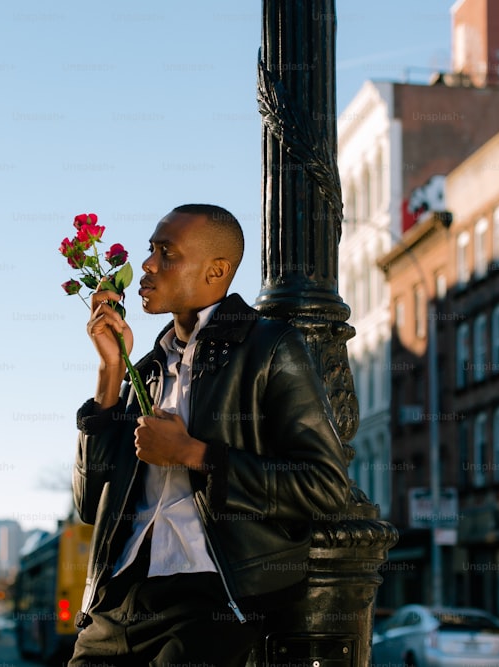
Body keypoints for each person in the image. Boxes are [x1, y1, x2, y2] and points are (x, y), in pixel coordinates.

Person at [69, 204, 351, 666]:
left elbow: (324, 486)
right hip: (117, 599)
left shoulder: (268, 348)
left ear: (216, 271)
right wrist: (109, 373)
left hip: (214, 598)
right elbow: (88, 503)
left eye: (167, 253)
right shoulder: (150, 370)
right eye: (150, 250)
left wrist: (195, 454)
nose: (146, 265)